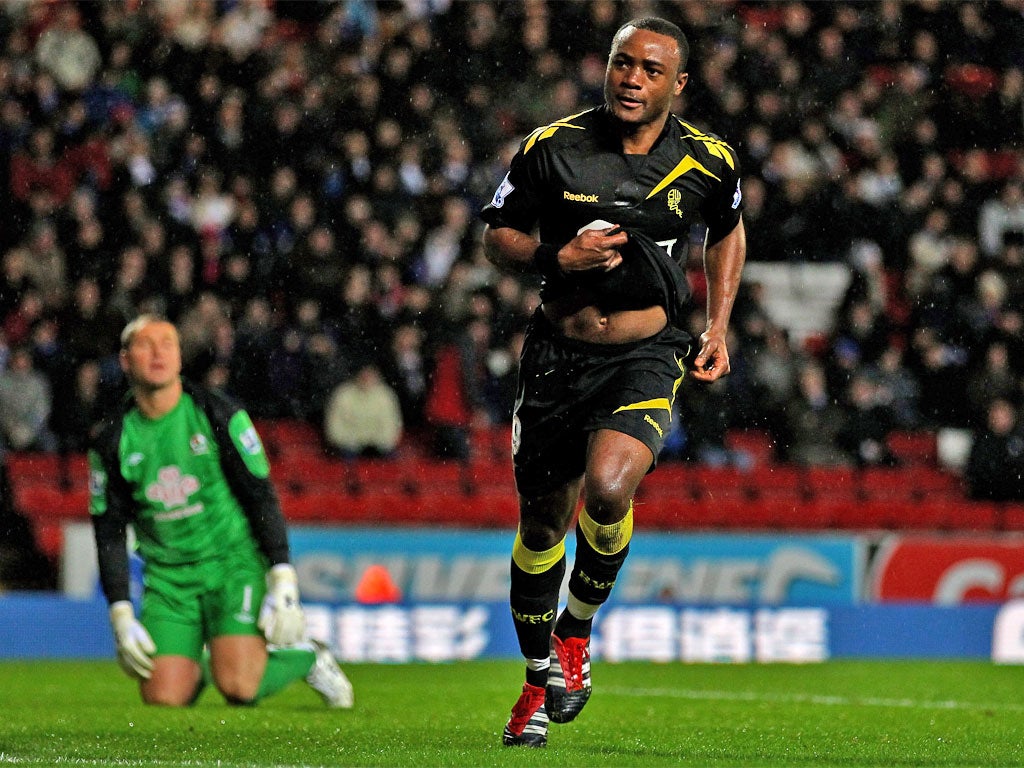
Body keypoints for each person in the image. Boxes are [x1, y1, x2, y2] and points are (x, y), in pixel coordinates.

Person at [480, 18, 746, 748]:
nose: (632, 79)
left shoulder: (707, 161)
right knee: (541, 524)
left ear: (678, 83)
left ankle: (576, 631)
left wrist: (717, 325)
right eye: (622, 64)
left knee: (609, 487)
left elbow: (727, 229)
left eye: (651, 70)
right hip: (557, 356)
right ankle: (538, 678)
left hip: (646, 352)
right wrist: (555, 259)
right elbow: (495, 235)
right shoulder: (551, 148)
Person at [88, 315, 353, 708]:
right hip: (168, 580)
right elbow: (108, 530)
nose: (159, 352)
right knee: (163, 697)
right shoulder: (112, 439)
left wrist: (282, 574)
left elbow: (260, 495)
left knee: (240, 688)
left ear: (180, 356)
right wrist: (121, 614)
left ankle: (310, 656)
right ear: (126, 361)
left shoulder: (216, 413)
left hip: (232, 565)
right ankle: (202, 660)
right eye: (146, 344)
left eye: (168, 343)